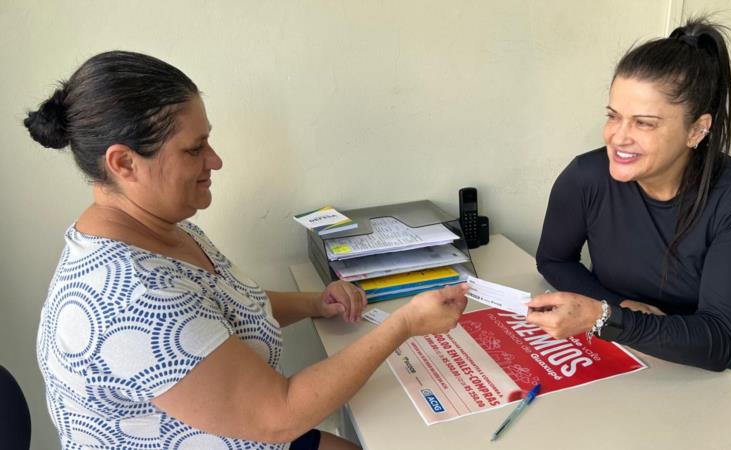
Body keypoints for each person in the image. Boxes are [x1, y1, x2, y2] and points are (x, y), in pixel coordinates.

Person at [28, 51, 469, 450]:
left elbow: (223, 309)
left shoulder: (161, 231)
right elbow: (279, 415)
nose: (215, 161)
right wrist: (403, 325)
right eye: (194, 149)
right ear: (124, 163)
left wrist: (316, 303)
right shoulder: (130, 297)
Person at [528, 18, 731, 379]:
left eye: (644, 123)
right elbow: (554, 259)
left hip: (726, 361)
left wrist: (605, 317)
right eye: (613, 116)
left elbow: (717, 342)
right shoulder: (585, 177)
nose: (618, 137)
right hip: (624, 340)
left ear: (697, 130)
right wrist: (619, 309)